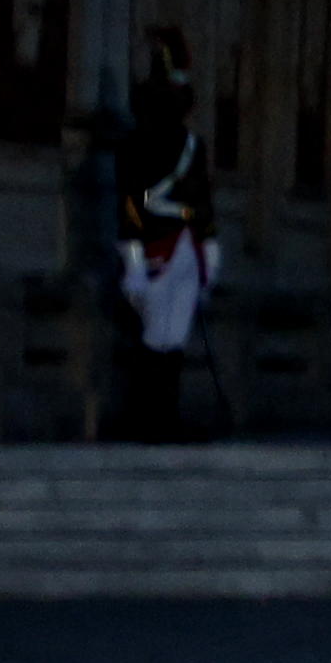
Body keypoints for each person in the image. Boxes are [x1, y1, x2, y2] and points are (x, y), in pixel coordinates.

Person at [105, 33, 215, 440]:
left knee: (174, 339)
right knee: (155, 337)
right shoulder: (136, 146)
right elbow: (132, 205)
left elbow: (202, 201)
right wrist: (132, 260)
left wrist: (209, 250)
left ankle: (165, 415)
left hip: (185, 247)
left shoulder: (192, 147)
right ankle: (149, 417)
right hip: (153, 247)